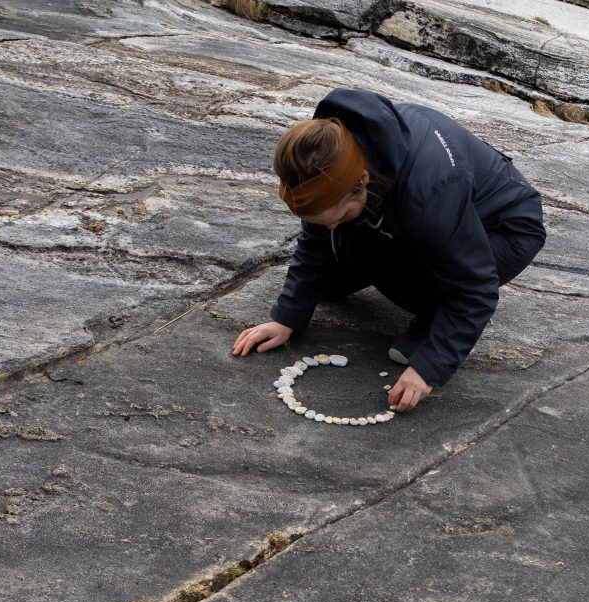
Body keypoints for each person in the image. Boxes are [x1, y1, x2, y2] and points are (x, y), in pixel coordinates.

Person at [232, 88, 545, 412]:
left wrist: (428, 368)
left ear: (363, 180)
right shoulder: (324, 161)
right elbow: (316, 242)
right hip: (411, 211)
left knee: (432, 276)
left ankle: (433, 319)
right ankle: (409, 285)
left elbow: (475, 287)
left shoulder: (427, 193)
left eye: (337, 217)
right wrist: (287, 318)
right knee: (330, 277)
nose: (330, 227)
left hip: (501, 227)